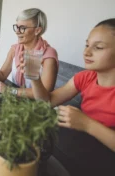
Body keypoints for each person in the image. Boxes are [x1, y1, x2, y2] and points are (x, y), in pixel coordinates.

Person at [30, 18, 115, 152]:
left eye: (98, 47)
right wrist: (34, 78)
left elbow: (87, 125)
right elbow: (48, 101)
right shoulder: (86, 77)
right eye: (87, 45)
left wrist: (87, 124)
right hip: (82, 150)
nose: (86, 52)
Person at [0, 8, 58, 99]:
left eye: (22, 28)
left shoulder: (48, 55)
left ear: (37, 30)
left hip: (36, 107)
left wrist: (10, 90)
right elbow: (1, 77)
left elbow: (46, 93)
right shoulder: (15, 49)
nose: (17, 31)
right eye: (17, 27)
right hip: (15, 101)